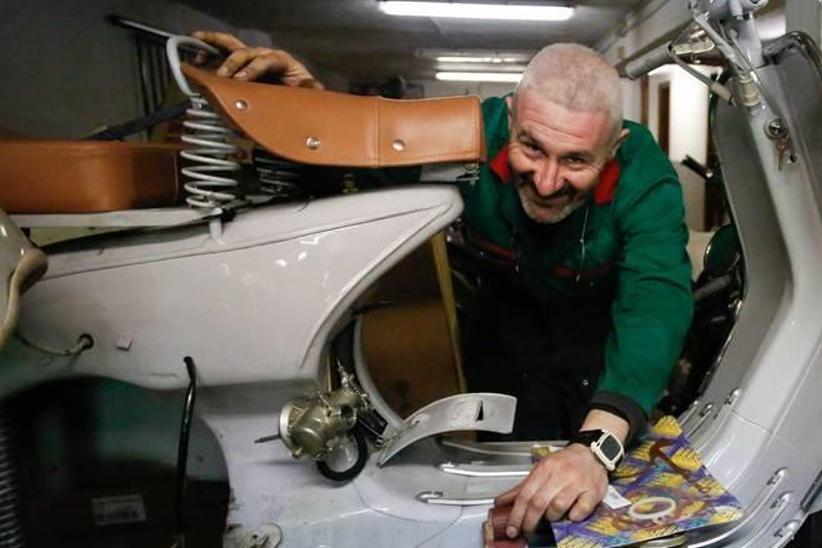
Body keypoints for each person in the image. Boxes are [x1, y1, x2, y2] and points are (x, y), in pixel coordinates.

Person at [192, 32, 694, 541]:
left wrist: (595, 448)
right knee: (516, 457)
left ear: (615, 148)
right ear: (511, 117)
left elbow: (655, 302)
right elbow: (367, 156)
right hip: (504, 321)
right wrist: (306, 110)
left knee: (594, 457)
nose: (546, 182)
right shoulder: (465, 133)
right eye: (531, 147)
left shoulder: (643, 176)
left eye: (575, 161)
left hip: (599, 333)